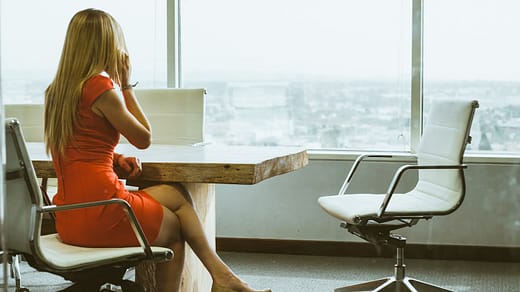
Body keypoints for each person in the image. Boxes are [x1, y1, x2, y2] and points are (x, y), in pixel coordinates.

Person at [44, 8, 270, 292]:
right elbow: (143, 137)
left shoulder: (56, 92)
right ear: (105, 45)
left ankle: (223, 277)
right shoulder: (100, 87)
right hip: (103, 209)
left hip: (69, 213)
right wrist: (126, 85)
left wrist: (113, 158)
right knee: (174, 231)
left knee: (177, 195)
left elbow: (72, 147)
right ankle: (221, 280)